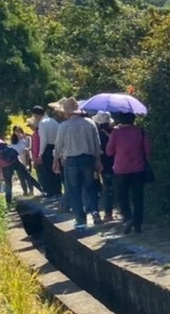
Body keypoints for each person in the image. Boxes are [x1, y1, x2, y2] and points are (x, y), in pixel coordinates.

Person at [52, 97, 103, 232]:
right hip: (88, 159)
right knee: (90, 186)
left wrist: (55, 160)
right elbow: (96, 144)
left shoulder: (64, 126)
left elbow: (58, 146)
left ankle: (80, 220)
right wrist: (98, 160)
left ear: (67, 113)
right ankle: (95, 212)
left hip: (71, 161)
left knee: (74, 190)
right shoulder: (90, 123)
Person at [107, 111, 152, 234]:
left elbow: (109, 151)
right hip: (139, 168)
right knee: (138, 197)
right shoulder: (140, 131)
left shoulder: (115, 132)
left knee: (122, 196)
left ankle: (128, 218)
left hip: (121, 169)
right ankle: (138, 224)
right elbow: (148, 151)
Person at [32, 105, 63, 198]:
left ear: (36, 115)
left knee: (48, 172)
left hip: (48, 148)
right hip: (57, 146)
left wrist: (40, 154)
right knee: (57, 170)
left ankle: (51, 192)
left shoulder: (42, 123)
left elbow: (43, 140)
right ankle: (58, 191)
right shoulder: (53, 121)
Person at [93, 111, 116, 221]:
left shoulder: (98, 134)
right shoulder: (114, 132)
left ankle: (108, 213)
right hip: (117, 162)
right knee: (119, 187)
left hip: (104, 164)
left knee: (107, 188)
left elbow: (97, 150)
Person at [10, 125, 36, 196]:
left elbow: (30, 147)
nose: (18, 133)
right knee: (21, 177)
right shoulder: (13, 141)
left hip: (26, 158)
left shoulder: (27, 138)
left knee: (28, 176)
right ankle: (25, 191)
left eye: (19, 131)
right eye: (16, 131)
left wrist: (27, 149)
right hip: (17, 160)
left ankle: (31, 191)